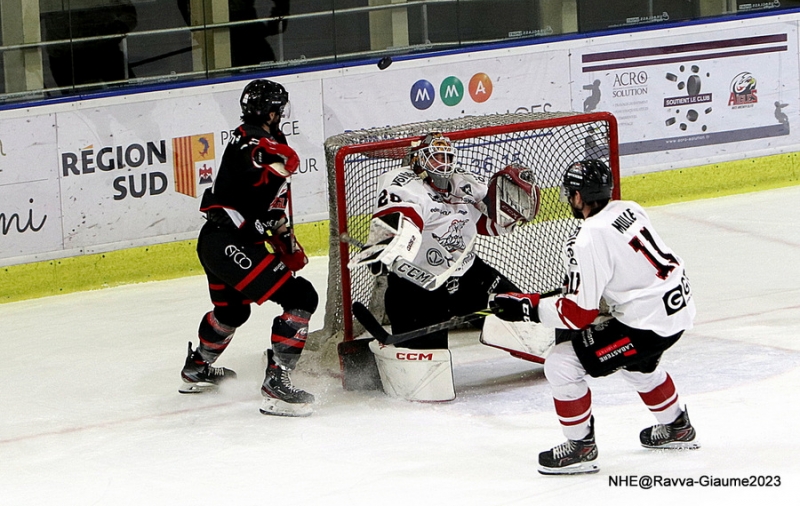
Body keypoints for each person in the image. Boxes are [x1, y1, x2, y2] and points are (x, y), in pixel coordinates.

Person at [492, 159, 698, 475]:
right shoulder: (629, 208)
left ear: (577, 197)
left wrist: (526, 307)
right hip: (677, 310)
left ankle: (580, 447)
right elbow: (628, 271)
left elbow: (577, 315)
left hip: (646, 324)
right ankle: (677, 427)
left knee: (561, 364)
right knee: (637, 364)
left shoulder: (587, 237)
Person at [349, 133, 541, 401]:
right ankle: (388, 351)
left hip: (468, 275)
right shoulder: (404, 184)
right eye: (437, 156)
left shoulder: (462, 184)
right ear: (419, 160)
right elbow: (403, 222)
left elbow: (487, 224)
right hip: (419, 286)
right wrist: (388, 247)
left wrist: (509, 212)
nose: (444, 163)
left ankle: (565, 345)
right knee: (428, 377)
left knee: (526, 315)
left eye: (448, 157)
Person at [179, 79, 318, 417]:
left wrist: (285, 241)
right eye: (279, 107)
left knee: (232, 312)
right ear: (271, 110)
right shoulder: (250, 139)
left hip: (221, 244)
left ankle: (197, 367)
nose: (281, 113)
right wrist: (279, 154)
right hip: (227, 241)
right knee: (301, 297)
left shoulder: (273, 141)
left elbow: (272, 210)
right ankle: (277, 384)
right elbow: (256, 152)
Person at [39, 0, 138, 87]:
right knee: (74, 102)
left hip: (105, 54)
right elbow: (27, 25)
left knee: (129, 95)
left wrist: (114, 32)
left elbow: (129, 15)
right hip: (65, 60)